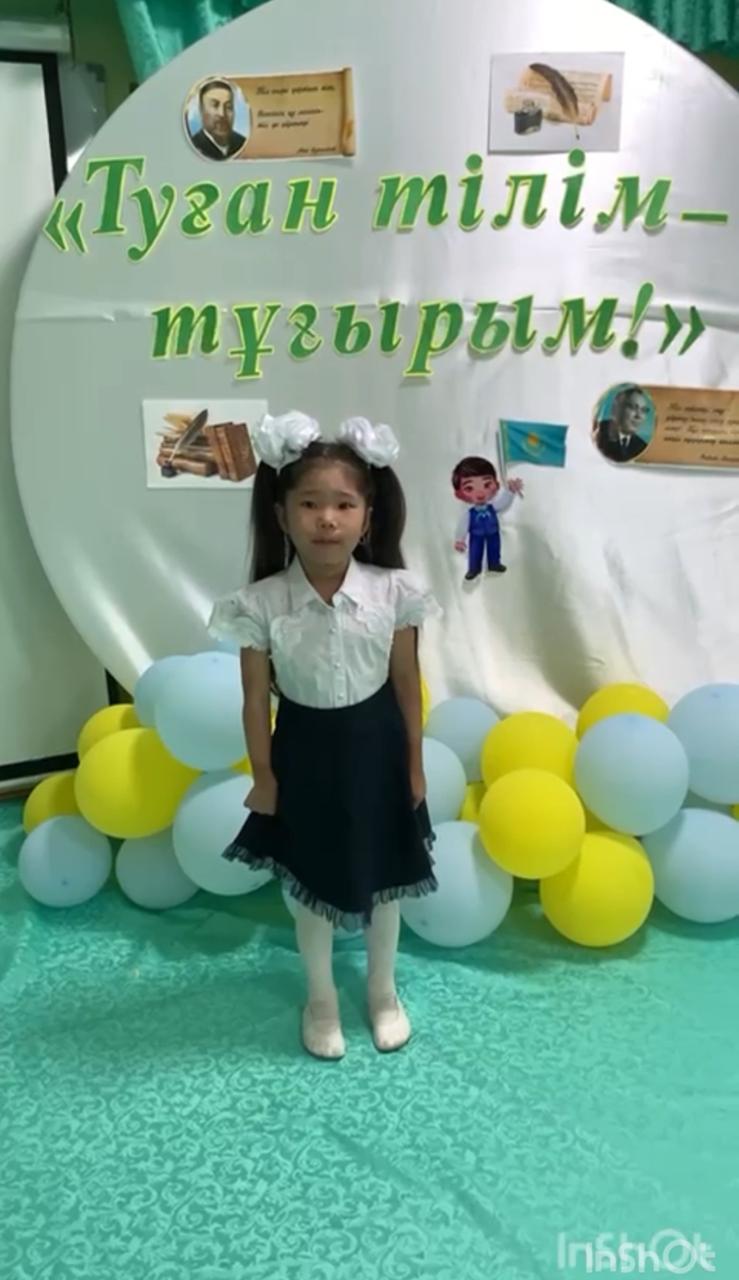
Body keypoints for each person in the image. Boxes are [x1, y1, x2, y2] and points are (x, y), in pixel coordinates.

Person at [209, 412, 440, 1061]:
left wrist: (414, 764)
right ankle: (320, 999)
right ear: (281, 516)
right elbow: (254, 700)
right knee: (308, 887)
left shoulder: (395, 593)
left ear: (368, 517)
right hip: (304, 756)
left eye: (344, 504)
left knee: (384, 882)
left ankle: (383, 992)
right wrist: (263, 776)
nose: (327, 519)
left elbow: (406, 683)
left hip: (378, 752)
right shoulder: (258, 605)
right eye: (310, 504)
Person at [452, 456, 524, 581]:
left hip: (493, 532)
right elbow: (463, 526)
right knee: (475, 551)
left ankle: (494, 564)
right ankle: (474, 569)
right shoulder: (469, 513)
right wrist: (459, 539)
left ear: (496, 485)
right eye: (469, 488)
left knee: (494, 548)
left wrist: (510, 492)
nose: (480, 493)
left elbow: (503, 503)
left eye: (486, 485)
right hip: (476, 535)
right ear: (460, 494)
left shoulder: (493, 507)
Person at [188, 78, 246, 160]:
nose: (222, 114)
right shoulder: (194, 145)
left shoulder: (242, 143)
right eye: (215, 105)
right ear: (201, 109)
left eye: (228, 107)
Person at [593, 385, 650, 464]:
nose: (638, 416)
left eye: (643, 410)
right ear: (616, 409)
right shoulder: (598, 434)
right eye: (633, 407)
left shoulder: (642, 447)